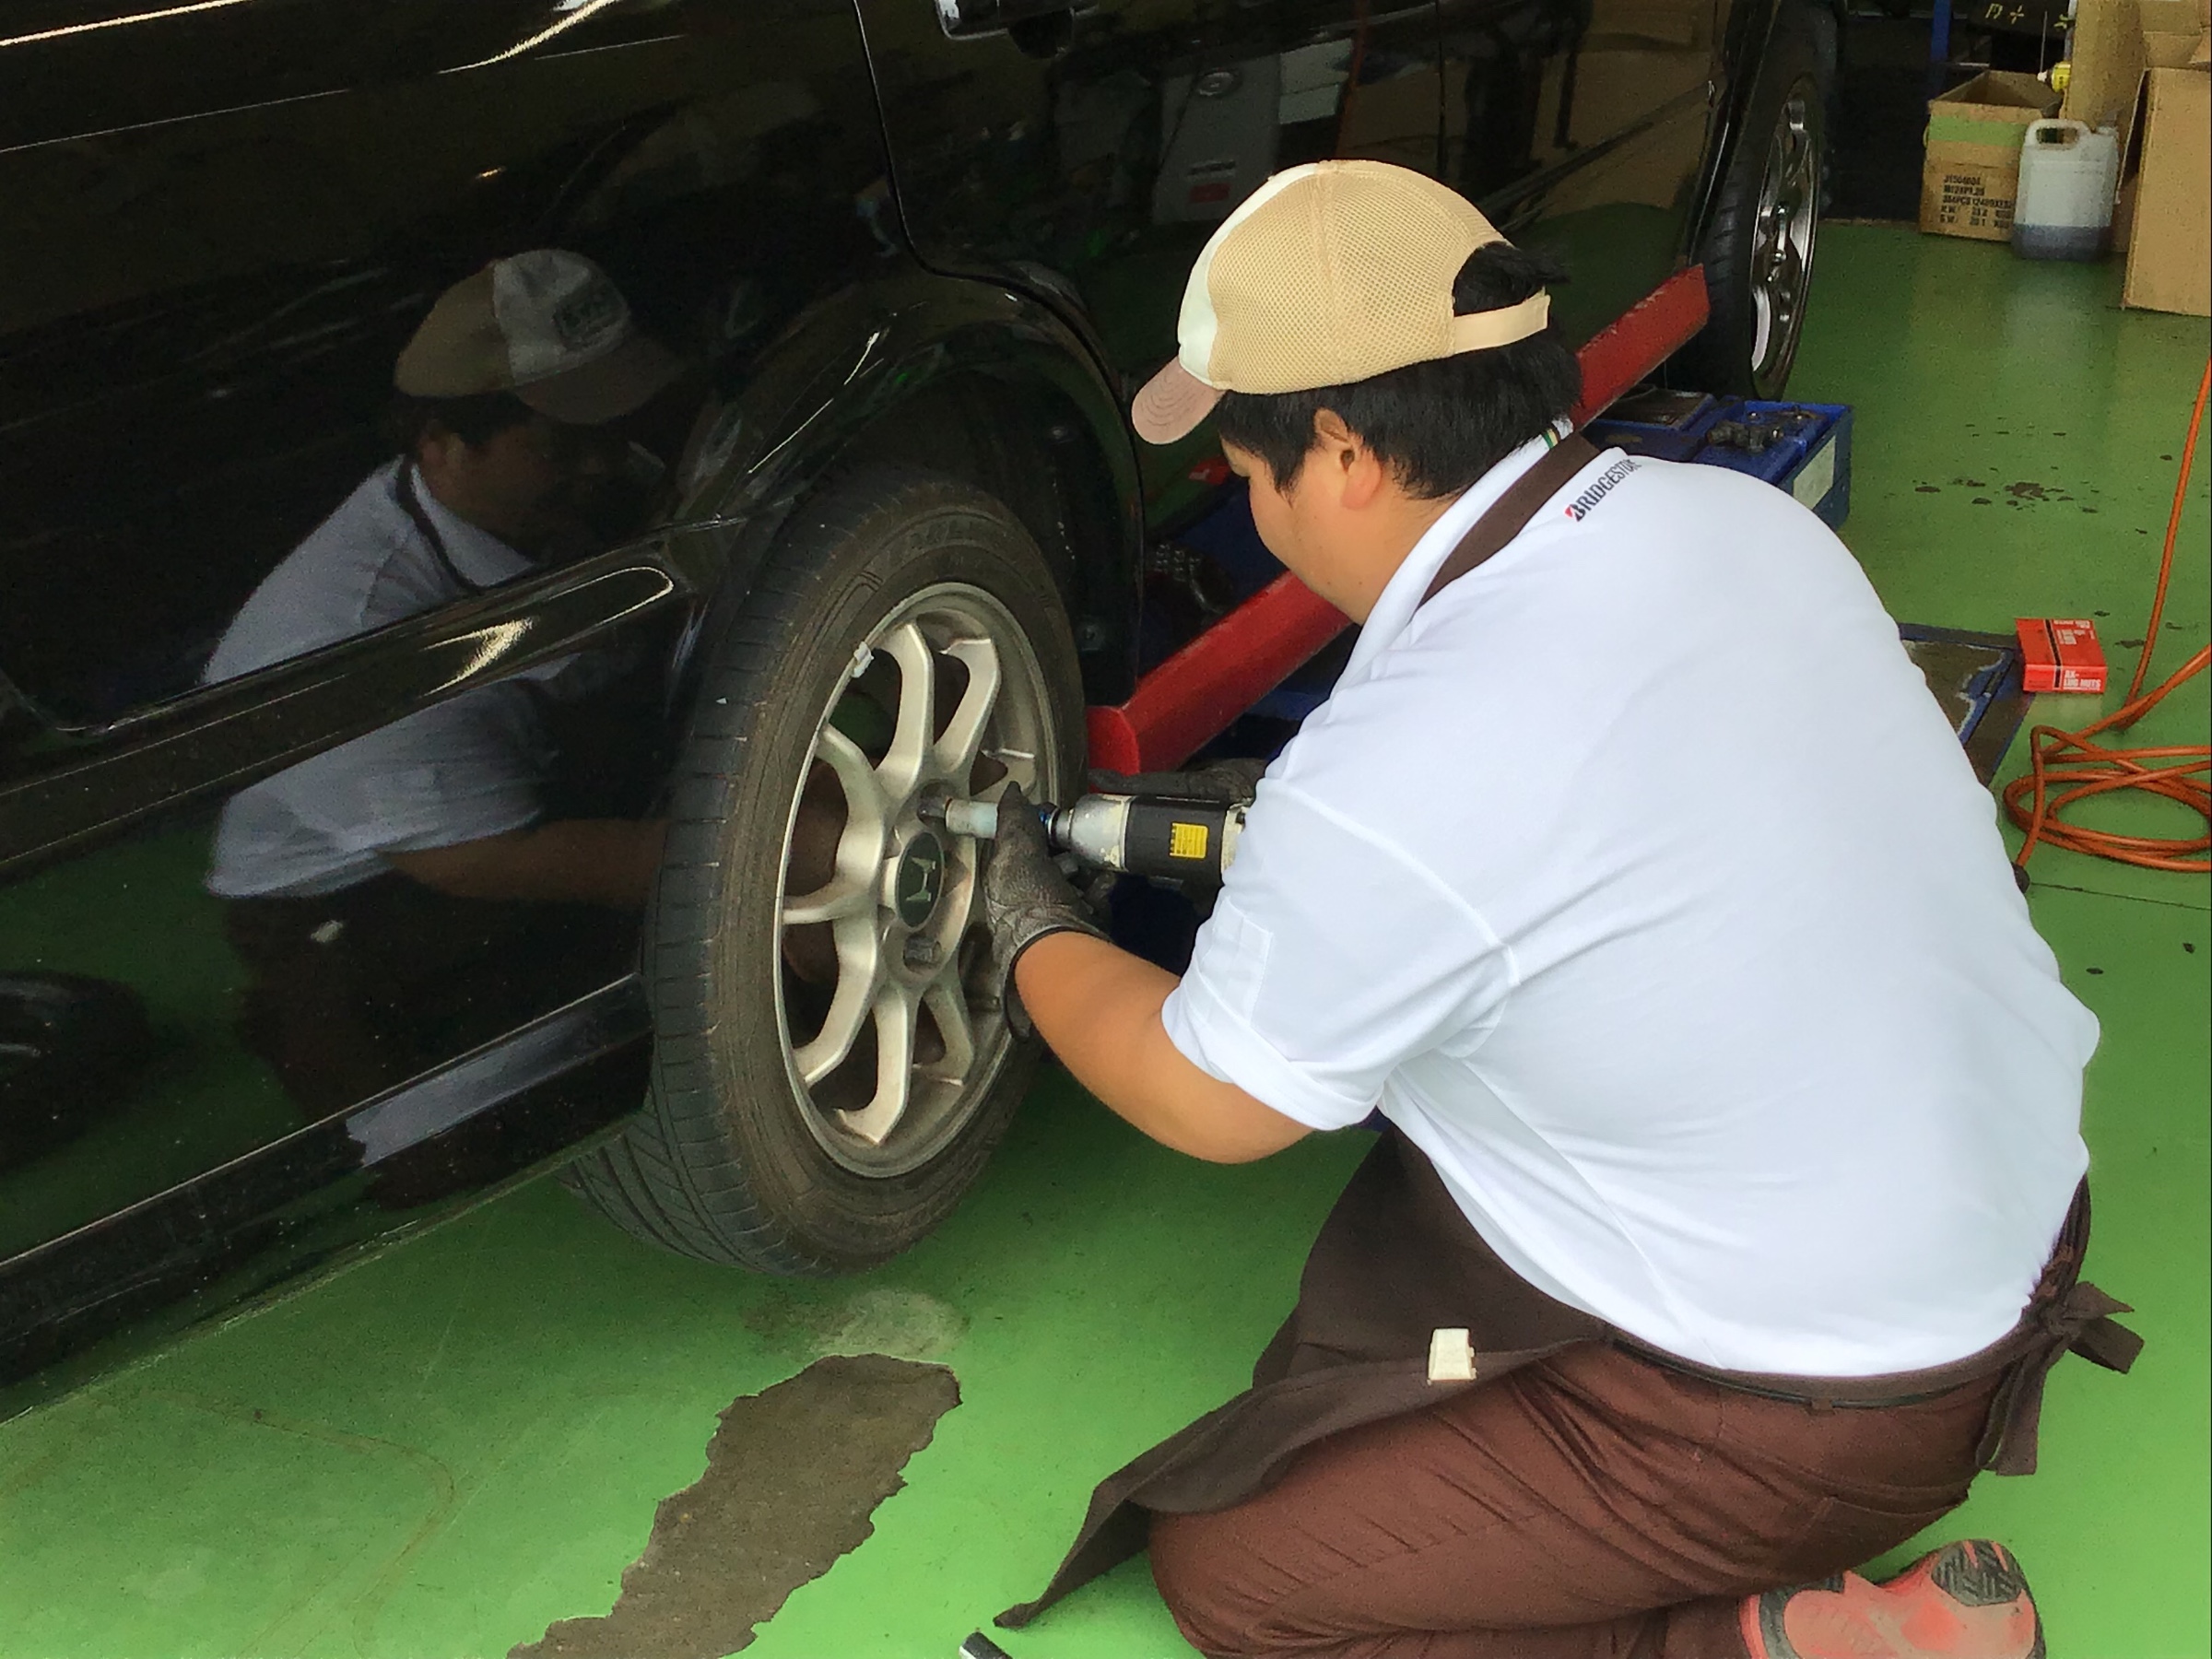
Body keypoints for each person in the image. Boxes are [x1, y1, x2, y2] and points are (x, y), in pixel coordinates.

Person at [982, 162, 2138, 1659]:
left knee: (1241, 1570)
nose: (1246, 502)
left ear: (1338, 453)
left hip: (1834, 1400)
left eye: (1242, 470)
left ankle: (1780, 1645)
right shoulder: (1731, 523)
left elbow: (1211, 1104)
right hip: (2003, 1228)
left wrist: (1029, 935)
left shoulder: (1401, 768)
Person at [205, 250, 681, 1114]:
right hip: (373, 888)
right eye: (563, 443)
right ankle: (311, 1014)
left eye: (615, 420)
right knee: (498, 1125)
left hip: (527, 770)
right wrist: (764, 858)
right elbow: (479, 859)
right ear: (442, 444)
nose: (607, 464)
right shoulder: (356, 639)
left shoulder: (553, 493)